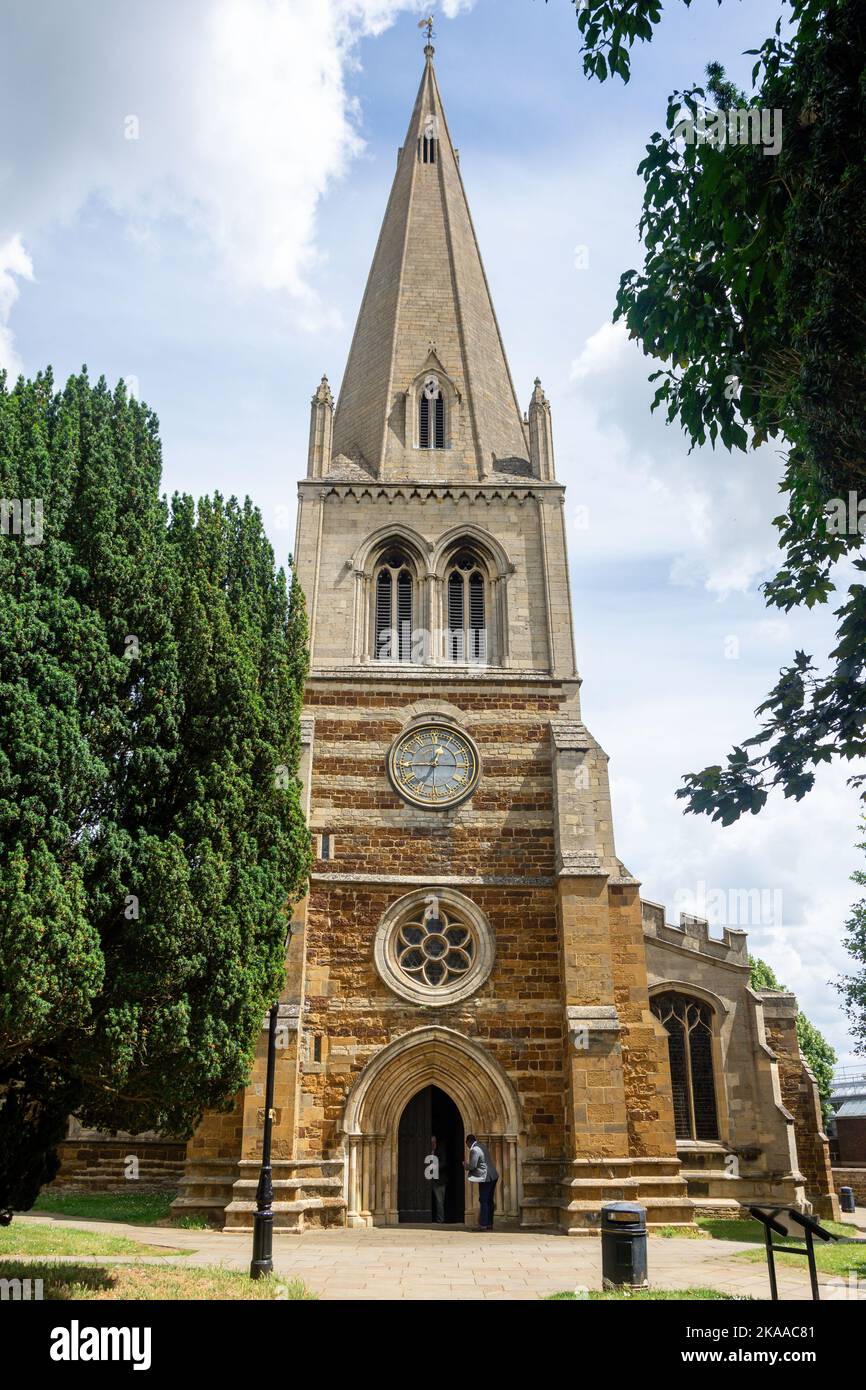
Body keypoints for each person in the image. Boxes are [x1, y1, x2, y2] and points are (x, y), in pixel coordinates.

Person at [464, 1132, 499, 1231]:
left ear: (468, 1142)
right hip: (493, 1176)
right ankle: (489, 1224)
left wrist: (465, 1165)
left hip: (485, 1177)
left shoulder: (474, 1150)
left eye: (466, 1144)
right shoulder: (482, 1146)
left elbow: (472, 1166)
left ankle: (483, 1225)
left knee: (483, 1200)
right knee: (489, 1201)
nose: (467, 1146)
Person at [428, 1133, 448, 1223]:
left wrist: (434, 1166)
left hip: (439, 1181)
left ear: (436, 1142)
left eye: (433, 1142)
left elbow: (444, 1163)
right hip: (427, 1180)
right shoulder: (425, 1150)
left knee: (440, 1201)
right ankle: (427, 1219)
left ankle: (440, 1220)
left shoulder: (440, 1151)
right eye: (431, 1143)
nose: (432, 1144)